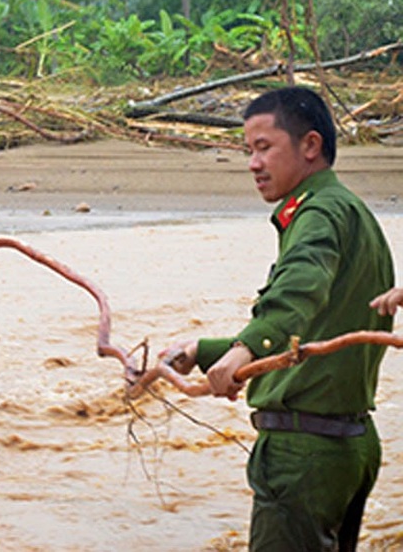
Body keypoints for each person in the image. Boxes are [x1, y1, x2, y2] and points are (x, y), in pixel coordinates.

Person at [162, 86, 394, 551]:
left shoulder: (318, 214)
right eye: (249, 150)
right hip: (350, 445)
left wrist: (246, 349)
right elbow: (311, 331)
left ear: (310, 146)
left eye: (264, 147)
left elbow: (297, 292)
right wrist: (202, 352)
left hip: (304, 452)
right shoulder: (352, 212)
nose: (252, 163)